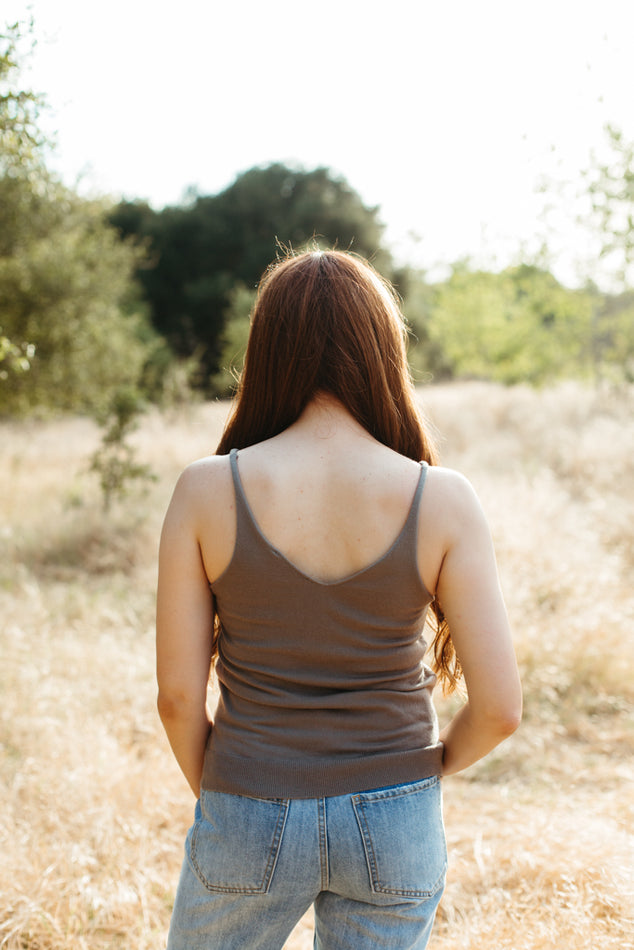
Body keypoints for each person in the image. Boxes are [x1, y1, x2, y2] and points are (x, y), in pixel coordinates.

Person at [156, 248, 522, 950]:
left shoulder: (205, 490)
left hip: (248, 798)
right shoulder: (442, 499)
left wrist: (233, 795)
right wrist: (417, 778)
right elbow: (501, 709)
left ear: (267, 350)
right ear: (383, 348)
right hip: (397, 813)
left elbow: (177, 698)